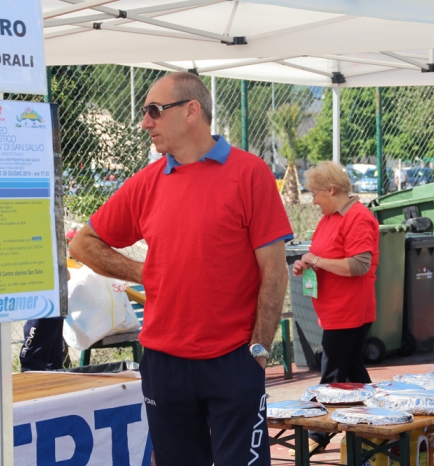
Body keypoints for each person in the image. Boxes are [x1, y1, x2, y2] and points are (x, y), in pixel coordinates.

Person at [69, 72, 293, 466]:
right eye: (145, 113)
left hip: (232, 360)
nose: (145, 122)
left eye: (154, 110)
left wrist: (258, 349)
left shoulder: (250, 173)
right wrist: (145, 272)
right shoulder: (147, 182)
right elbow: (82, 243)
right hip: (164, 363)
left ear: (192, 111)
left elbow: (274, 273)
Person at [292, 161, 380, 453]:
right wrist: (305, 263)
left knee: (332, 374)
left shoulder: (358, 218)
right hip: (333, 309)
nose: (313, 200)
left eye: (315, 193)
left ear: (331, 190)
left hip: (349, 310)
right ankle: (378, 420)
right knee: (352, 371)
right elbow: (321, 255)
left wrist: (315, 261)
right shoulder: (328, 218)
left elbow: (359, 265)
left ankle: (318, 434)